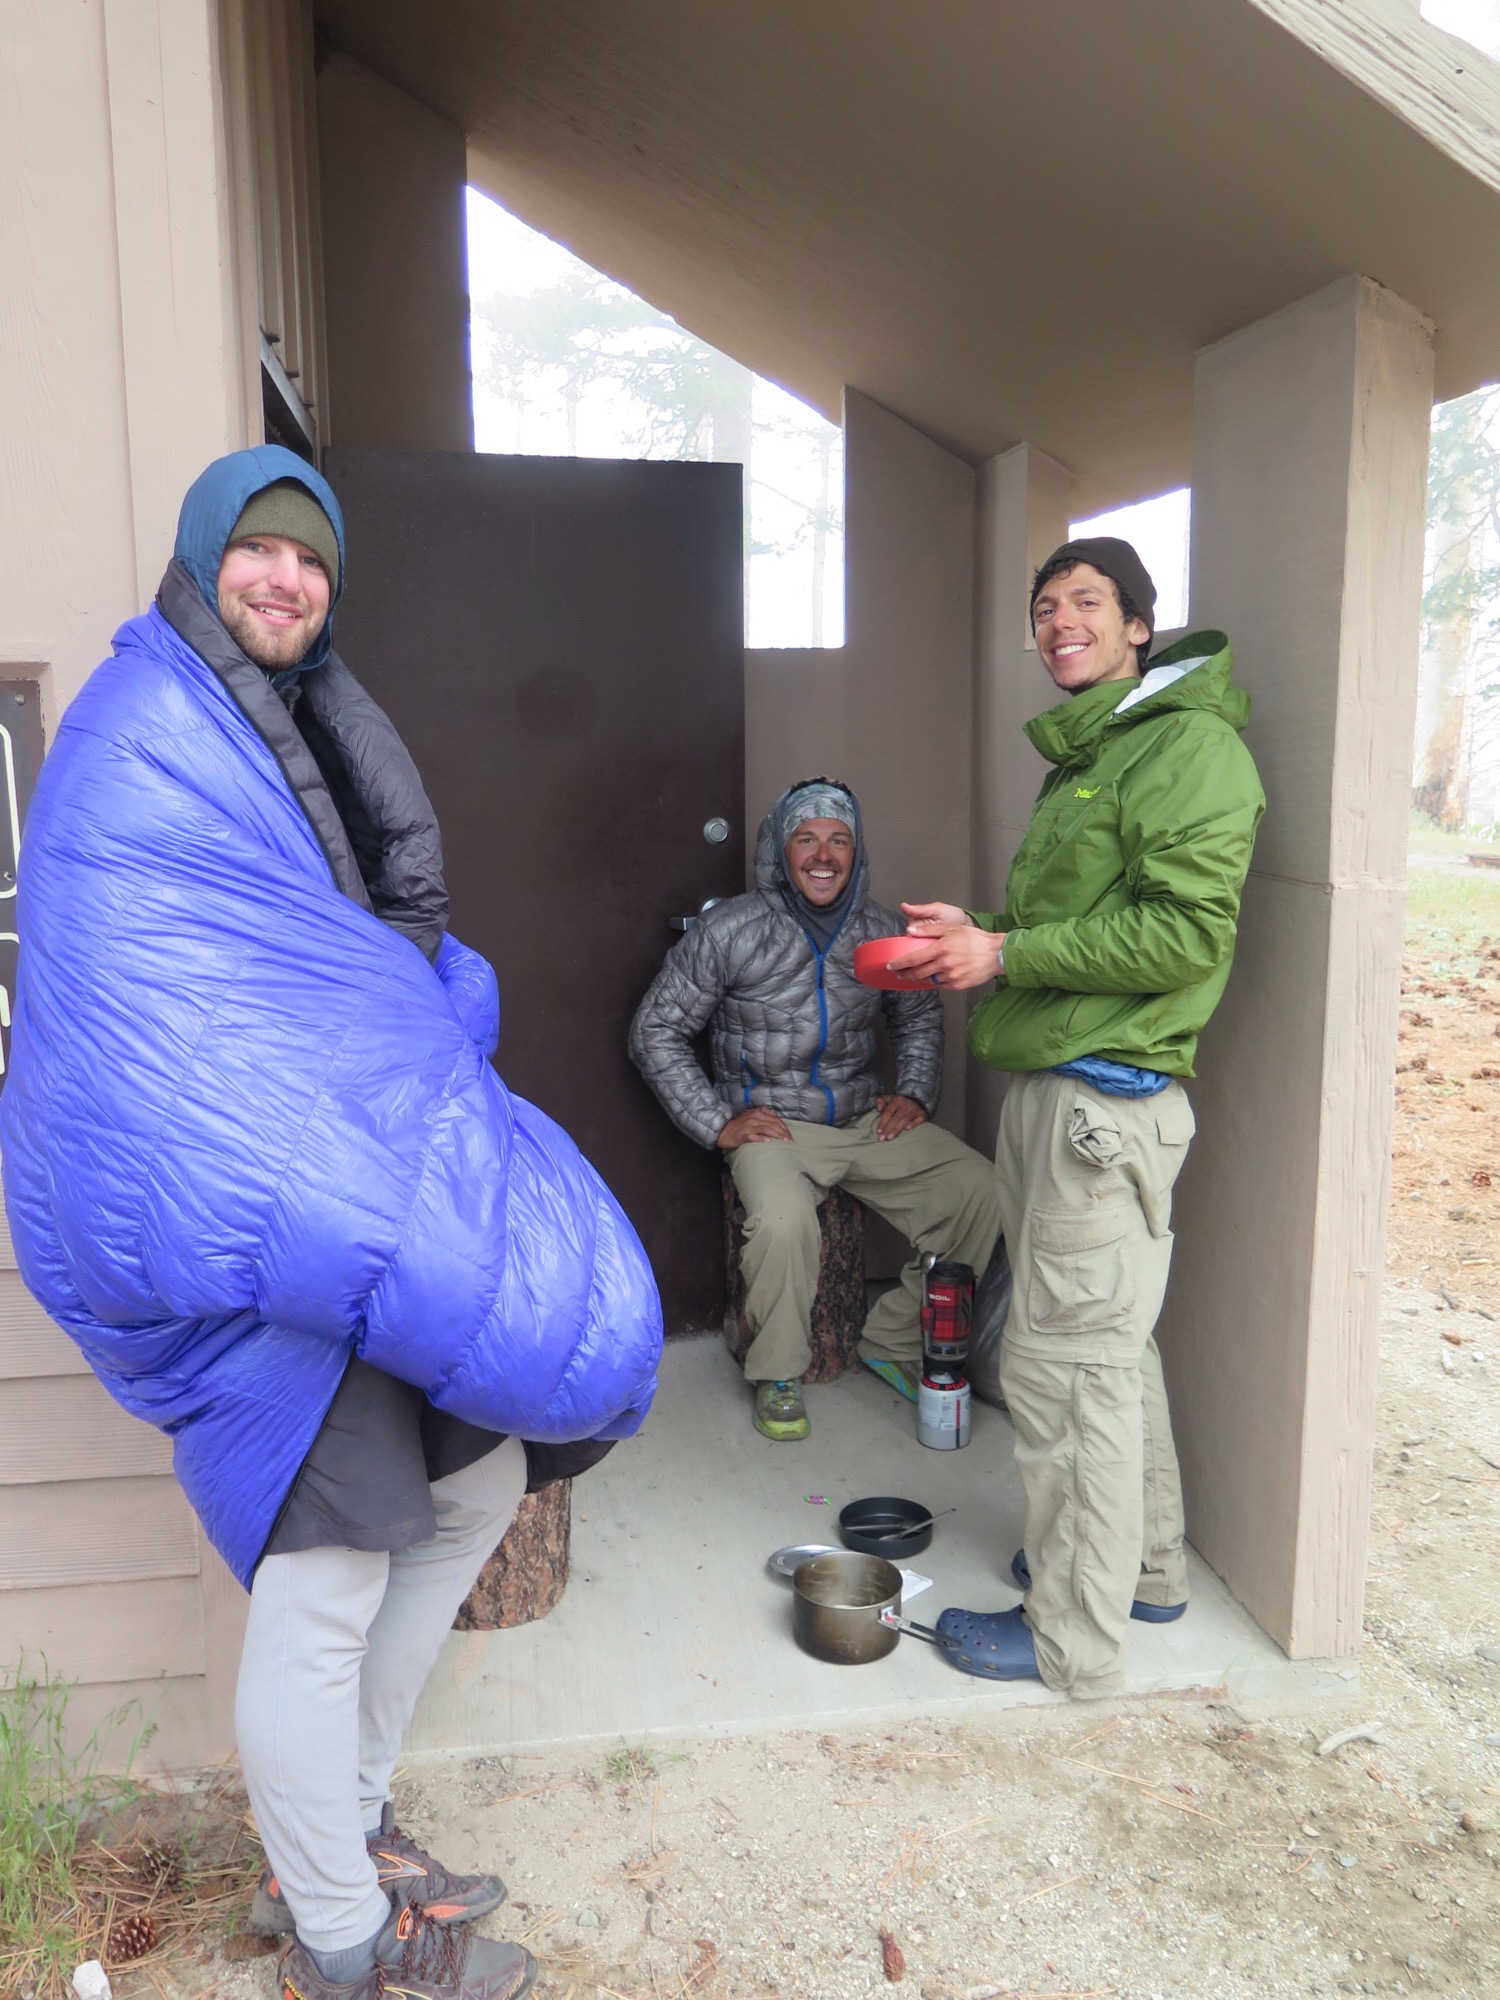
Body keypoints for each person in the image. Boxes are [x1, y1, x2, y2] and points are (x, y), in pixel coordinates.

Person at [0, 447, 663, 2000]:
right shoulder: (139, 734)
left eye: (311, 558)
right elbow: (156, 1012)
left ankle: (342, 1836)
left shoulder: (291, 727)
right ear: (202, 558)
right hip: (248, 1235)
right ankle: (345, 1944)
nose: (285, 578)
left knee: (476, 1482)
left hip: (337, 1200)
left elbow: (350, 969)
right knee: (329, 1577)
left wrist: (413, 1036)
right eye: (259, 549)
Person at [899, 536, 1264, 1699]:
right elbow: (1088, 921)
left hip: (1104, 1108)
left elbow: (1186, 934)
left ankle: (1071, 1635)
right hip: (1067, 1098)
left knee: (1067, 1374)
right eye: (1046, 605)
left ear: (1140, 625)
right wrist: (981, 933)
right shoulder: (1100, 749)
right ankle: (1135, 1568)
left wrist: (1003, 953)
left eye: (1088, 601)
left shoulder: (1186, 746)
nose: (1061, 620)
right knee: (1110, 1353)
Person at [629, 777, 1001, 1439]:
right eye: (806, 839)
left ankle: (890, 1341)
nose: (823, 855)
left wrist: (914, 1093)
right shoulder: (731, 929)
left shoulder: (881, 930)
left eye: (839, 840)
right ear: (781, 849)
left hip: (861, 1119)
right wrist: (718, 1122)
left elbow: (918, 1017)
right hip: (773, 1126)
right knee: (782, 1222)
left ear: (857, 853)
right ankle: (778, 1374)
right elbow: (655, 1030)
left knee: (980, 1192)